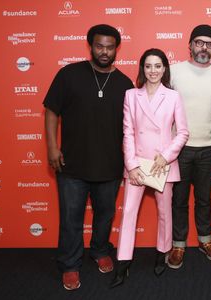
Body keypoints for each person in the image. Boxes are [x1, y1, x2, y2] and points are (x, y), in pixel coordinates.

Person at [43, 24, 134, 290]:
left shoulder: (125, 83)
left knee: (105, 215)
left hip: (109, 165)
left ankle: (99, 250)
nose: (104, 52)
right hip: (72, 164)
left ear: (116, 48)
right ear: (90, 46)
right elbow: (51, 111)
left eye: (109, 47)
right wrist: (51, 146)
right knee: (71, 218)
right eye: (99, 46)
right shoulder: (69, 74)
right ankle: (70, 265)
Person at [110, 48, 189, 287]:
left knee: (165, 213)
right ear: (142, 69)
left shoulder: (173, 97)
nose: (153, 71)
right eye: (148, 66)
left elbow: (183, 132)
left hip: (161, 165)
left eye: (157, 66)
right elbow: (128, 132)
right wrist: (131, 165)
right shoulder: (131, 95)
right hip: (137, 164)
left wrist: (165, 157)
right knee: (129, 212)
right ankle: (123, 262)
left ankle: (161, 253)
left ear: (164, 69)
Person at [167, 24, 211, 269]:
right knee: (179, 200)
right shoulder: (173, 72)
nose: (204, 47)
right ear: (190, 45)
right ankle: (178, 244)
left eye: (209, 43)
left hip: (208, 148)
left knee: (204, 199)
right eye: (199, 42)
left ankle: (205, 240)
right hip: (179, 149)